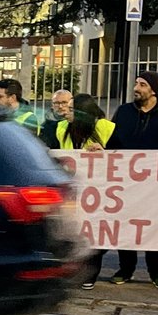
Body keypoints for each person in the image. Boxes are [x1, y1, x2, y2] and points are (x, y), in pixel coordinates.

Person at [108, 70, 158, 289]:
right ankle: (126, 268)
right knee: (126, 225)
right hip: (126, 181)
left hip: (155, 184)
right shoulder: (124, 112)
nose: (136, 88)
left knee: (153, 225)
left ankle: (156, 270)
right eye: (136, 83)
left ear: (154, 90)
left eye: (142, 84)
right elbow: (113, 143)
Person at [56, 94, 118, 290]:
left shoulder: (106, 128)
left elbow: (124, 156)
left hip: (100, 188)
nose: (66, 111)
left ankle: (91, 271)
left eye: (72, 108)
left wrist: (105, 151)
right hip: (74, 187)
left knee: (96, 230)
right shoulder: (62, 128)